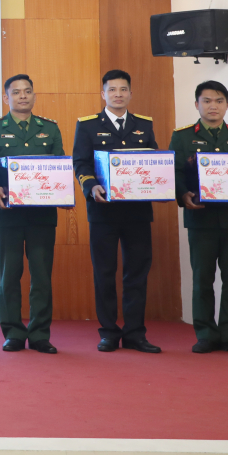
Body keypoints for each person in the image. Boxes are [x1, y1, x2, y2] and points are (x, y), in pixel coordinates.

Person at [170, 80, 228, 357]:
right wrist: (183, 194)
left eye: (219, 101)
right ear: (197, 104)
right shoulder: (182, 137)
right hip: (201, 218)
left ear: (227, 105)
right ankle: (206, 335)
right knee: (203, 280)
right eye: (207, 101)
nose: (213, 106)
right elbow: (175, 172)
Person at [72, 69, 162, 354]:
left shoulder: (143, 125)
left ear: (131, 94)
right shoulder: (87, 125)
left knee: (137, 273)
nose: (118, 94)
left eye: (123, 89)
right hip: (103, 212)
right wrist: (91, 187)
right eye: (112, 90)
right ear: (103, 94)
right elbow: (81, 162)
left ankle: (135, 333)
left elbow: (154, 161)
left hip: (137, 212)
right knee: (104, 272)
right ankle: (109, 332)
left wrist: (160, 185)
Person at [0, 74, 68, 354]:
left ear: (34, 95)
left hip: (42, 215)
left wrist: (64, 193)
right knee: (10, 276)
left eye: (27, 91)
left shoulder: (49, 128)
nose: (22, 96)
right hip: (9, 215)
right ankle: (13, 333)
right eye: (16, 92)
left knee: (41, 277)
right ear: (6, 97)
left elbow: (59, 166)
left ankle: (40, 334)